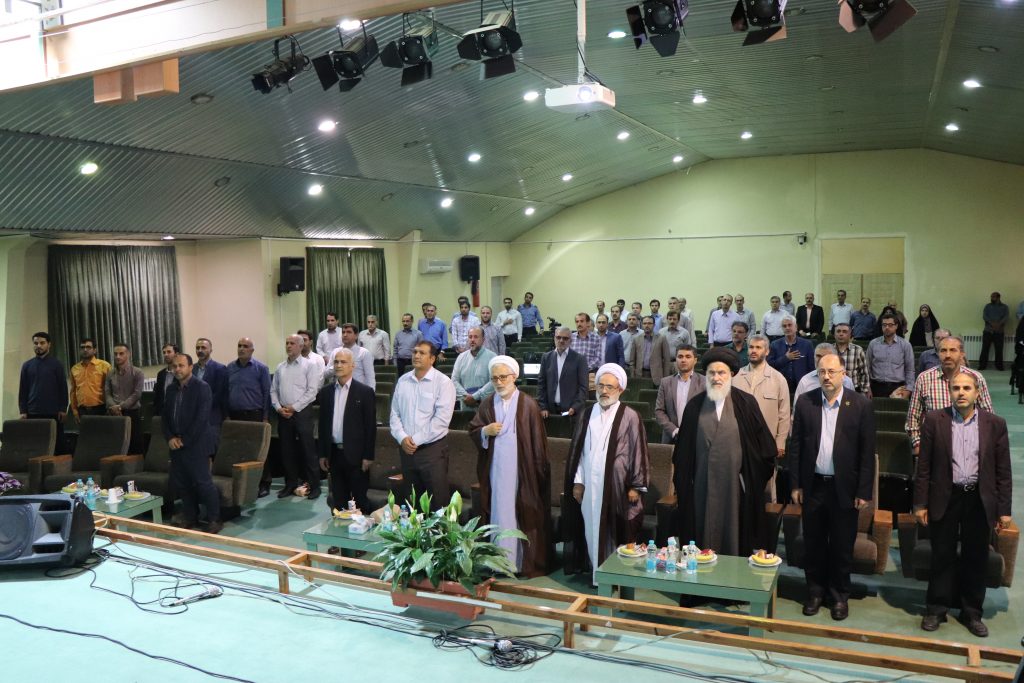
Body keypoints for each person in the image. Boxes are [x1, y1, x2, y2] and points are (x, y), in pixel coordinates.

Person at [915, 372, 1012, 637]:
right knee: (942, 555)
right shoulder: (934, 420)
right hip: (945, 496)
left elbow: (1003, 470)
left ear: (977, 393)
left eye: (966, 388)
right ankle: (936, 609)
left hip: (979, 499)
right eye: (956, 388)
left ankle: (972, 613)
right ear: (949, 391)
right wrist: (920, 503)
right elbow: (923, 467)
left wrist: (1003, 510)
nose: (961, 392)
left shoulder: (995, 424)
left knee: (976, 557)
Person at [790, 354, 875, 621]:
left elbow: (867, 452)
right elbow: (796, 447)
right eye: (822, 372)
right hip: (813, 486)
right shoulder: (806, 402)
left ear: (843, 374)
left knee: (841, 546)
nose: (826, 376)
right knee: (813, 544)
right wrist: (796, 484)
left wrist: (864, 491)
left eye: (832, 372)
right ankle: (815, 593)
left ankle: (839, 596)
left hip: (845, 489)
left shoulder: (860, 404)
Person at [673, 347, 777, 557]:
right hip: (700, 487)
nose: (716, 377)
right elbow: (682, 454)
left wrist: (750, 479)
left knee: (736, 538)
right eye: (712, 373)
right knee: (700, 540)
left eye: (721, 373)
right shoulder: (694, 406)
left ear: (731, 374)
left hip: (736, 488)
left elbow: (765, 449)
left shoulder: (746, 403)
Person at [468, 355, 553, 577]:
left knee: (521, 514)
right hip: (495, 472)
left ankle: (519, 562)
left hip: (523, 473)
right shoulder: (487, 403)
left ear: (514, 377)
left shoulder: (528, 405)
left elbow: (538, 445)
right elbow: (474, 429)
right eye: (494, 378)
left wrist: (537, 475)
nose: (498, 382)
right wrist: (485, 431)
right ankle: (498, 562)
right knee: (499, 514)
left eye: (503, 377)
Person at [564, 363, 650, 582]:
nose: (604, 391)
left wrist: (635, 485)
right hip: (590, 487)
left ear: (620, 389)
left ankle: (615, 577)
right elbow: (579, 452)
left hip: (618, 487)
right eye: (600, 386)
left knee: (614, 530)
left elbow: (638, 451)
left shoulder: (630, 416)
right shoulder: (586, 414)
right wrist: (578, 482)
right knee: (591, 529)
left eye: (609, 387)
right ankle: (597, 575)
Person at [389, 341, 456, 510]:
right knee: (412, 503)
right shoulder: (403, 381)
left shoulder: (443, 383)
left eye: (422, 353)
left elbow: (441, 421)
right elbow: (394, 414)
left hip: (432, 451)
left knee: (438, 503)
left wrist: (414, 440)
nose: (416, 355)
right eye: (415, 352)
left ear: (432, 359)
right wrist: (402, 438)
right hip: (407, 451)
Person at [163, 353, 222, 533]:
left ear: (190, 367)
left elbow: (201, 419)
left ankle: (214, 519)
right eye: (175, 366)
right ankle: (190, 517)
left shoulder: (202, 387)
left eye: (181, 366)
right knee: (183, 484)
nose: (177, 369)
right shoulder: (171, 389)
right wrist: (170, 438)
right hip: (176, 445)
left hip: (197, 445)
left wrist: (184, 440)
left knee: (203, 483)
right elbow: (164, 418)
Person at [906, 336, 992, 455]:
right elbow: (912, 418)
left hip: (969, 446)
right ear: (937, 354)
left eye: (953, 350)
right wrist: (917, 444)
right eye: (943, 350)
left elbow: (988, 416)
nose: (947, 355)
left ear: (962, 354)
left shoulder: (976, 378)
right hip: (934, 445)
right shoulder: (924, 379)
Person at [318, 348, 376, 514]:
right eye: (336, 362)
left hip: (357, 456)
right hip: (334, 454)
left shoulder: (365, 392)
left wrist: (368, 456)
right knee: (339, 501)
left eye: (343, 362)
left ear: (352, 365)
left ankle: (362, 530)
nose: (338, 365)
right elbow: (323, 426)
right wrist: (322, 453)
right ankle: (340, 529)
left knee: (360, 501)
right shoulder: (326, 392)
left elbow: (370, 427)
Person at [734, 334, 791, 503]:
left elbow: (784, 414)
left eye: (758, 347)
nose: (753, 351)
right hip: (738, 442)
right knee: (739, 490)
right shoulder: (735, 377)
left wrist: (780, 443)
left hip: (766, 444)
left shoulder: (778, 379)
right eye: (751, 347)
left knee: (766, 492)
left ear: (767, 351)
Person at [271, 335, 323, 500]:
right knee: (286, 451)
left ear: (301, 346)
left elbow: (312, 391)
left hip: (302, 412)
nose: (288, 346)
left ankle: (314, 486)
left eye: (292, 343)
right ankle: (290, 484)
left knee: (308, 450)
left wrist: (294, 407)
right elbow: (273, 390)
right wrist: (278, 408)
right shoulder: (280, 367)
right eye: (287, 343)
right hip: (284, 414)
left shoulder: (310, 365)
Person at [19, 332, 69, 452]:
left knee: (57, 445)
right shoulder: (27, 365)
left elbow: (63, 388)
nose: (39, 346)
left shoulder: (57, 365)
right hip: (32, 412)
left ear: (49, 344)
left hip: (53, 412)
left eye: (42, 343)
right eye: (36, 343)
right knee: (35, 444)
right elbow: (23, 390)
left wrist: (63, 408)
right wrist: (23, 411)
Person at [654, 344, 706, 443]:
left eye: (688, 357)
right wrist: (673, 430)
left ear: (695, 360)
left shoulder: (705, 383)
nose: (683, 360)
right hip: (671, 438)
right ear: (676, 359)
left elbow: (708, 412)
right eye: (680, 356)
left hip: (696, 438)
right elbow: (659, 411)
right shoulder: (665, 382)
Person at [538, 327, 588, 420]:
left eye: (565, 338)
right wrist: (543, 407)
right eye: (558, 337)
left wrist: (575, 407)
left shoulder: (579, 359)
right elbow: (542, 385)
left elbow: (583, 387)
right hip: (549, 412)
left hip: (571, 412)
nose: (561, 340)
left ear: (571, 340)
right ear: (554, 338)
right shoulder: (546, 358)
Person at [105, 342, 145, 454]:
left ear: (128, 354)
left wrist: (120, 407)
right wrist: (114, 407)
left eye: (121, 353)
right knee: (116, 446)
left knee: (134, 447)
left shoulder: (137, 372)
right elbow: (107, 393)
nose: (118, 356)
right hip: (113, 413)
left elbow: (137, 394)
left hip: (131, 413)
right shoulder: (110, 373)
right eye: (115, 354)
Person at [866, 313, 915, 398]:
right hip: (876, 387)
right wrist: (867, 387)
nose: (887, 327)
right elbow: (867, 367)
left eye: (890, 325)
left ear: (896, 326)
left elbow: (910, 370)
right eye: (884, 325)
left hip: (898, 388)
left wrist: (908, 390)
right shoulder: (873, 344)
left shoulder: (905, 345)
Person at [194, 338, 228, 452]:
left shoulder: (220, 369)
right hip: (194, 418)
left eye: (203, 348)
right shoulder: (191, 369)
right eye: (197, 348)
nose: (200, 350)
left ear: (211, 350)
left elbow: (219, 394)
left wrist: (201, 407)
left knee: (213, 451)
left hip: (212, 417)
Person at [226, 337, 271, 422]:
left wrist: (265, 417)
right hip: (234, 415)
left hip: (254, 415)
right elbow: (226, 392)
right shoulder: (230, 367)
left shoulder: (261, 368)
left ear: (252, 350)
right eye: (239, 346)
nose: (241, 349)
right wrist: (226, 415)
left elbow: (267, 393)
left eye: (245, 346)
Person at [451, 327, 496, 409]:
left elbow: (494, 381)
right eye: (470, 337)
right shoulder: (461, 357)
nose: (472, 340)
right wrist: (466, 396)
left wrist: (475, 397)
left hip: (485, 405)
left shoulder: (492, 357)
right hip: (465, 403)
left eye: (476, 337)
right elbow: (454, 380)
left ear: (483, 340)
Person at [768, 315, 815, 394]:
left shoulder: (807, 344)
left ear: (796, 327)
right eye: (784, 326)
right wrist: (785, 358)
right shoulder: (774, 345)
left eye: (790, 325)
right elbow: (770, 366)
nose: (787, 328)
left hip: (802, 387)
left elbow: (812, 367)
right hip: (780, 387)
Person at [69, 338, 110, 420]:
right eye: (82, 347)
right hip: (82, 410)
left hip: (101, 409)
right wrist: (75, 411)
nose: (85, 350)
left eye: (88, 347)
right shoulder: (74, 369)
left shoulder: (105, 366)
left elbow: (111, 389)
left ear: (95, 350)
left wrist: (110, 407)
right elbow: (73, 391)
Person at [330, 323, 376, 390]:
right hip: (339, 390)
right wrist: (336, 366)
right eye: (343, 332)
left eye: (349, 332)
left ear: (356, 336)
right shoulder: (336, 352)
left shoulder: (364, 353)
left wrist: (371, 394)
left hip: (358, 391)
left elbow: (370, 377)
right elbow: (326, 374)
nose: (345, 335)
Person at [833, 323, 870, 393]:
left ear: (850, 335)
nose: (841, 334)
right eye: (838, 331)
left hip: (854, 390)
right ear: (834, 335)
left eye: (844, 332)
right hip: (833, 390)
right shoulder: (829, 350)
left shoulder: (858, 350)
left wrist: (864, 391)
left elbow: (864, 373)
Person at [980, 292, 1009, 371]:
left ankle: (999, 366)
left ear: (998, 298)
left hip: (999, 331)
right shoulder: (987, 306)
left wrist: (999, 324)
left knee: (999, 350)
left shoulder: (1004, 307)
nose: (992, 298)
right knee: (985, 349)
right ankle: (982, 365)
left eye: (993, 297)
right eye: (991, 297)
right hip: (988, 331)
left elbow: (1006, 317)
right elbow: (985, 316)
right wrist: (992, 323)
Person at [152, 343, 179, 416]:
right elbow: (158, 396)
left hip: (177, 412)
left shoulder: (181, 373)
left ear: (176, 354)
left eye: (169, 352)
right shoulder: (161, 374)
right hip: (163, 412)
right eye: (164, 352)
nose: (166, 354)